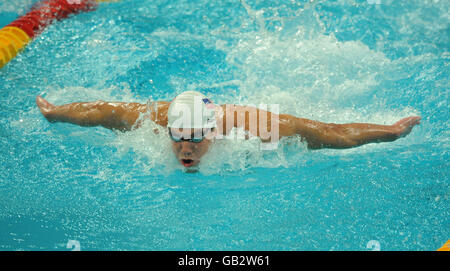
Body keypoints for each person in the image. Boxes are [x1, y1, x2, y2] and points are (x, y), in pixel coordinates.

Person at [36, 91, 421, 168]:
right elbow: (98, 111)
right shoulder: (154, 119)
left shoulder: (252, 125)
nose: (185, 149)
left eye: (196, 139)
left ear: (213, 131)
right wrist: (55, 114)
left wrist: (389, 131)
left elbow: (331, 134)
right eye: (179, 138)